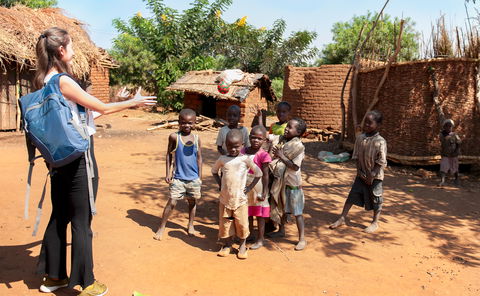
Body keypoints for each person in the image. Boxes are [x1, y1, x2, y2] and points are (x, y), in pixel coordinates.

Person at [34, 27, 156, 296]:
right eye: (71, 45)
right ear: (61, 51)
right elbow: (100, 108)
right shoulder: (64, 81)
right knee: (81, 219)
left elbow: (78, 121)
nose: (75, 50)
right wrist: (133, 102)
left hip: (58, 158)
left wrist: (117, 103)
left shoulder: (43, 80)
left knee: (60, 215)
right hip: (79, 158)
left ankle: (54, 277)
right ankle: (87, 282)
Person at [329, 110, 387, 234]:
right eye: (365, 122)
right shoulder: (360, 138)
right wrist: (360, 173)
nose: (366, 125)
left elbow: (381, 161)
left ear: (378, 125)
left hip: (375, 177)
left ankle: (375, 222)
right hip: (361, 175)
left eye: (369, 123)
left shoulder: (380, 141)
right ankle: (342, 217)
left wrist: (371, 175)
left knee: (376, 198)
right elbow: (356, 157)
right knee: (352, 196)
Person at [211, 129, 262, 259]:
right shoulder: (222, 159)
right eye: (229, 147)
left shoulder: (245, 160)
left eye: (236, 147)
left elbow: (258, 173)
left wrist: (249, 187)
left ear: (242, 145)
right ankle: (227, 244)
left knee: (242, 223)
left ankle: (242, 245)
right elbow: (214, 171)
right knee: (226, 222)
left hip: (240, 200)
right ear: (225, 145)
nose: (233, 149)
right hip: (225, 199)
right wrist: (220, 185)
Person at [154, 109, 203, 240]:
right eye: (183, 123)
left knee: (192, 202)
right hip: (178, 178)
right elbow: (168, 155)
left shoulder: (197, 138)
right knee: (172, 202)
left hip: (193, 178)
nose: (186, 126)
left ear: (194, 123)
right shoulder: (174, 137)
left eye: (190, 123)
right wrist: (168, 173)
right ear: (179, 123)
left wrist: (200, 175)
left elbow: (199, 158)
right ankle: (162, 227)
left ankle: (191, 225)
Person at [269, 118, 308, 251]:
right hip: (282, 182)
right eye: (287, 126)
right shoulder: (283, 141)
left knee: (297, 212)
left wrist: (281, 156)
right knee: (282, 207)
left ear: (298, 132)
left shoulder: (298, 148)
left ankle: (302, 239)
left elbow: (295, 167)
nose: (286, 128)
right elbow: (268, 137)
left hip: (293, 184)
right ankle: (281, 230)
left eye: (290, 127)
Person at [242, 126, 271, 250]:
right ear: (249, 137)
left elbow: (265, 175)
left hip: (258, 188)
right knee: (247, 212)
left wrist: (265, 191)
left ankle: (260, 239)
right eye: (253, 137)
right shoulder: (243, 151)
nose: (255, 141)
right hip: (245, 186)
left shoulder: (263, 155)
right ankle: (249, 234)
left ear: (264, 140)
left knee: (259, 215)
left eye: (259, 139)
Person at [439, 119, 461, 187]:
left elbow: (459, 143)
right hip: (445, 154)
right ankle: (442, 181)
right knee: (443, 167)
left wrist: (457, 151)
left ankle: (456, 179)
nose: (449, 128)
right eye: (447, 126)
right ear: (444, 127)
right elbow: (442, 142)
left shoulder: (455, 135)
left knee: (455, 167)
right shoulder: (442, 134)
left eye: (450, 126)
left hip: (453, 154)